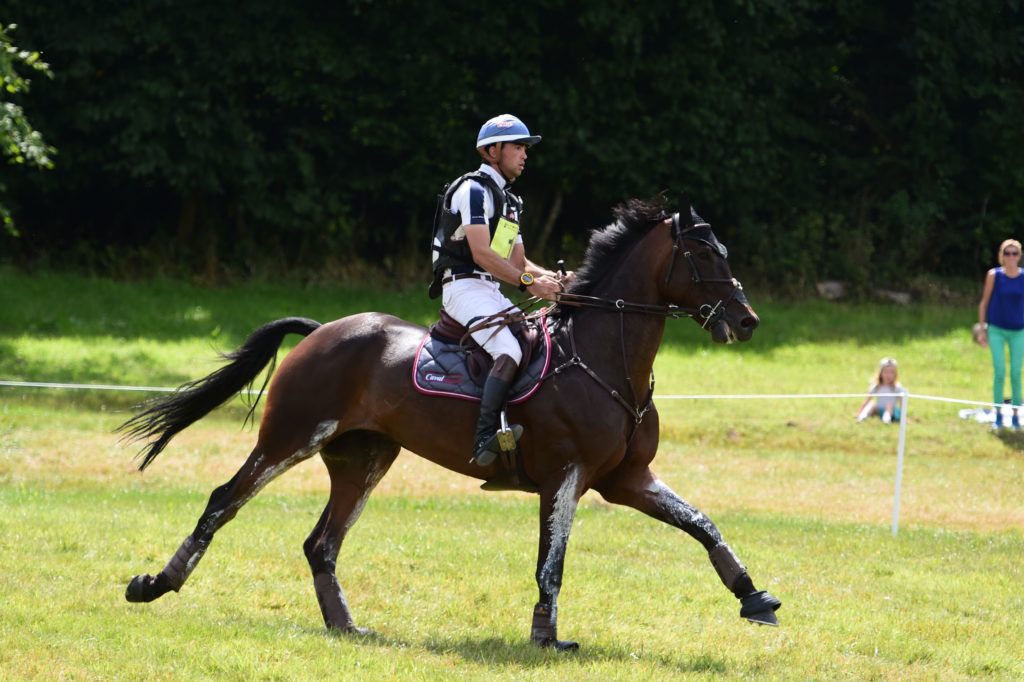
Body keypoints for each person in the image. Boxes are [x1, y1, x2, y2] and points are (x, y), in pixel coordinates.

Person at [429, 114, 569, 466]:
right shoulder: (473, 191)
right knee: (508, 348)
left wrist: (555, 278)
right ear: (493, 151)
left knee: (532, 338)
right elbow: (482, 254)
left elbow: (518, 262)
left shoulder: (508, 201)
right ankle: (482, 438)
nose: (525, 154)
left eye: (525, 148)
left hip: (487, 288)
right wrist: (529, 283)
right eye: (518, 146)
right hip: (462, 288)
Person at [977, 238, 1024, 430]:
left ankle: (1015, 415)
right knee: (1000, 372)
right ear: (1001, 256)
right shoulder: (994, 275)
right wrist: (982, 329)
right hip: (996, 329)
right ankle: (997, 415)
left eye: (1014, 253)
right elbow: (984, 302)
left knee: (1015, 372)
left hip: (1018, 331)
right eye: (1007, 253)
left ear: (1019, 256)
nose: (1011, 257)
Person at [856, 357, 906, 424]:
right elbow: (867, 400)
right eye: (886, 372)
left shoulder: (897, 387)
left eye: (892, 372)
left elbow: (902, 403)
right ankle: (862, 417)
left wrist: (903, 417)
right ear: (881, 373)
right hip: (879, 410)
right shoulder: (877, 385)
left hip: (892, 411)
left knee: (889, 406)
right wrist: (859, 411)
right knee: (872, 403)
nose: (888, 375)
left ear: (895, 374)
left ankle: (886, 420)